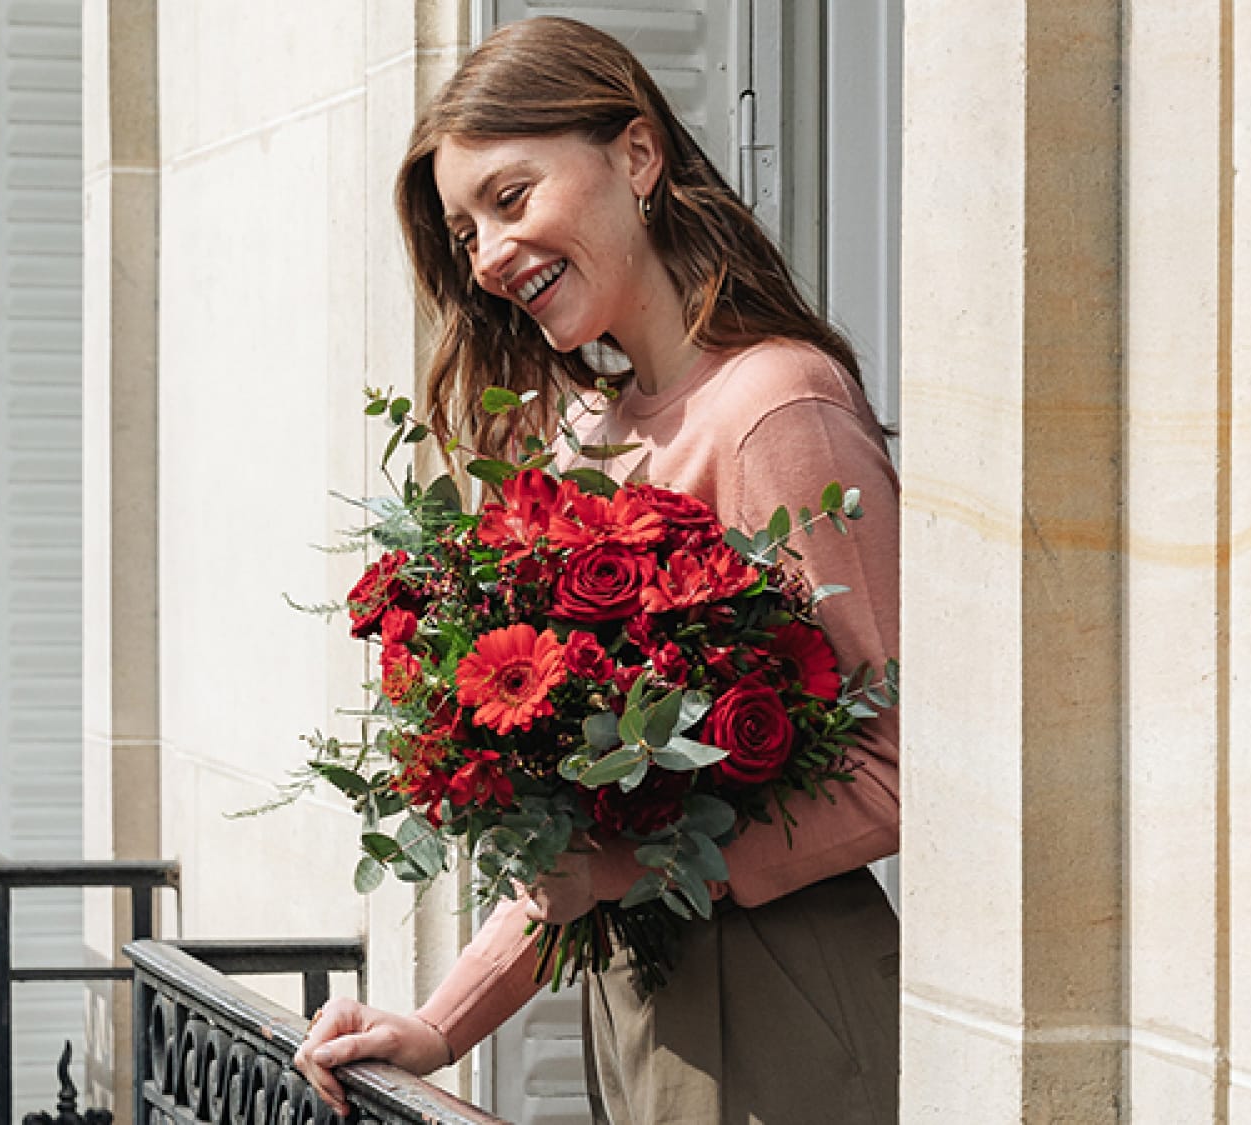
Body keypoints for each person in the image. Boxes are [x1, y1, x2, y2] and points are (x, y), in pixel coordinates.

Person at [291, 17, 900, 1123]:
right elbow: (581, 849)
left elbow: (897, 773)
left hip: (785, 998)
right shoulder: (586, 439)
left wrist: (624, 876)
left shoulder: (773, 410)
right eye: (464, 229)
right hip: (636, 994)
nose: (484, 257)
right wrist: (438, 1023)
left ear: (636, 156)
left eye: (509, 199)